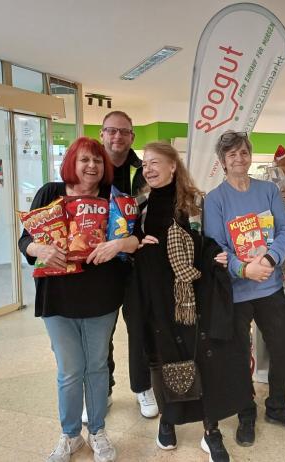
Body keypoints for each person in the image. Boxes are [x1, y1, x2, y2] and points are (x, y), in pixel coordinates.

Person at [128, 142, 252, 462]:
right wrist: (136, 243)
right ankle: (168, 420)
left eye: (156, 162)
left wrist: (216, 255)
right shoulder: (137, 206)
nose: (149, 169)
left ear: (173, 165)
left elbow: (207, 240)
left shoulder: (195, 202)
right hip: (155, 295)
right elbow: (125, 246)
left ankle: (211, 431)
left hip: (193, 293)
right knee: (165, 359)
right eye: (145, 165)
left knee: (203, 358)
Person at [19, 137, 139, 462]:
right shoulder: (49, 193)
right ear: (72, 161)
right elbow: (25, 238)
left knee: (97, 366)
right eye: (85, 160)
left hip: (102, 296)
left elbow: (136, 239)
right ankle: (70, 435)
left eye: (98, 161)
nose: (92, 167)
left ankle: (97, 431)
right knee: (70, 370)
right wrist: (39, 249)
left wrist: (120, 244)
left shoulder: (116, 201)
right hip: (56, 298)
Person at [204, 130, 285, 448]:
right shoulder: (215, 199)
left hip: (270, 286)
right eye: (231, 155)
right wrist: (243, 268)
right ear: (222, 162)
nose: (239, 158)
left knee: (283, 352)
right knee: (238, 357)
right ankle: (245, 413)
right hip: (235, 292)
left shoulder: (268, 190)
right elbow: (216, 246)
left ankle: (276, 407)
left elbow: (283, 229)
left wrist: (272, 258)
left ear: (250, 156)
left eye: (243, 153)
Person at [94, 110, 158, 421]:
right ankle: (103, 387)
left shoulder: (142, 172)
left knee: (140, 328)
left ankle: (142, 387)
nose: (117, 137)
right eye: (111, 131)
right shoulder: (92, 169)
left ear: (132, 136)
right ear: (102, 135)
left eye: (123, 131)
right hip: (101, 266)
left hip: (137, 264)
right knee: (101, 332)